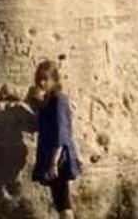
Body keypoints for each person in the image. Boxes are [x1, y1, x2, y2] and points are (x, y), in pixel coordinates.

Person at [31, 60, 82, 218]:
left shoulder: (59, 100)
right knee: (60, 201)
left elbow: (61, 134)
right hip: (52, 156)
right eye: (39, 78)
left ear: (54, 79)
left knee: (63, 201)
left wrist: (53, 163)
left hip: (59, 158)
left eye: (45, 79)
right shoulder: (49, 100)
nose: (41, 82)